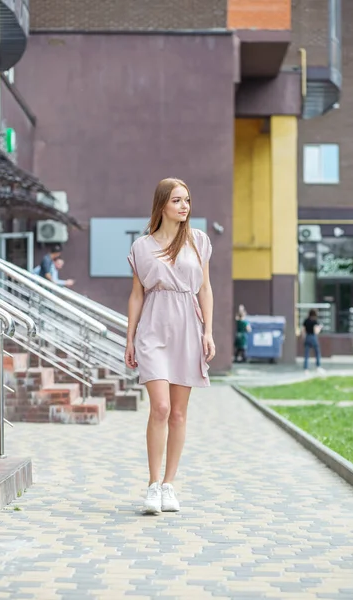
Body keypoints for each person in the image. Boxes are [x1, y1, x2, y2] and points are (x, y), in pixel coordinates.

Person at [125, 177, 215, 515]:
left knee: (178, 412)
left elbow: (205, 289)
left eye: (187, 200)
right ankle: (151, 485)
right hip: (152, 326)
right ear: (162, 203)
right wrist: (130, 337)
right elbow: (137, 294)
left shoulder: (198, 241)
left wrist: (208, 332)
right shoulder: (141, 247)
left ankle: (169, 485)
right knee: (160, 408)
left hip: (188, 327)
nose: (184, 206)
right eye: (177, 200)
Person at [302, 309, 324, 374]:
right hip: (313, 337)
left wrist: (304, 338)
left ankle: (306, 369)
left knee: (306, 354)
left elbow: (303, 330)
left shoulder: (306, 321)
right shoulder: (315, 321)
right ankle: (318, 367)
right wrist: (320, 328)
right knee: (317, 352)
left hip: (307, 337)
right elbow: (316, 331)